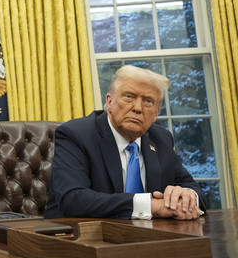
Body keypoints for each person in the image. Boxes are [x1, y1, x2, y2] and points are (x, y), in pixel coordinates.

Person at [45, 65, 208, 220]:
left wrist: (186, 197)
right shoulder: (76, 134)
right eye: (129, 96)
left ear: (156, 114)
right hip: (76, 238)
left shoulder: (161, 139)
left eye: (148, 101)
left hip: (148, 238)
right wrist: (151, 206)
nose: (138, 108)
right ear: (109, 102)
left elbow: (196, 192)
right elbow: (73, 200)